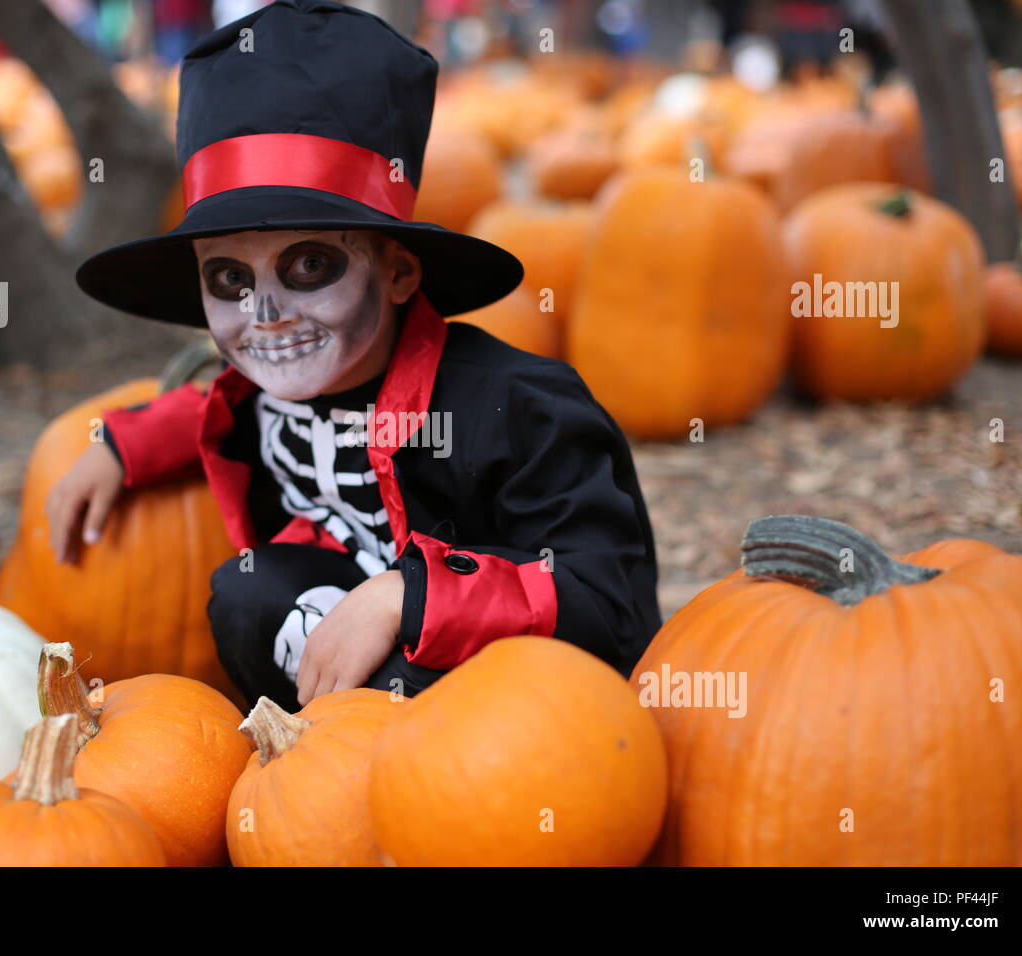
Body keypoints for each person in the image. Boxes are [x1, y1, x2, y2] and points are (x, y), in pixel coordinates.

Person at [53, 0, 661, 712]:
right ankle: (320, 762)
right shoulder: (277, 389)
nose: (267, 314)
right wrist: (122, 444)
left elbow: (602, 599)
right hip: (357, 679)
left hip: (515, 706)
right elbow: (218, 407)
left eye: (310, 265)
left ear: (400, 272)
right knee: (248, 592)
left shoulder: (520, 409)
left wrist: (413, 594)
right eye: (230, 279)